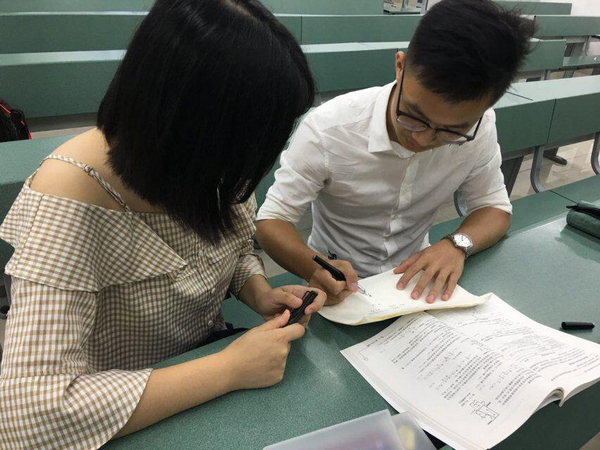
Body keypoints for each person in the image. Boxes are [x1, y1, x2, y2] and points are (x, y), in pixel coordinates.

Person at [0, 1, 323, 448]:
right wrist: (228, 369)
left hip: (200, 364)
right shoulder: (70, 197)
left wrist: (258, 292)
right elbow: (27, 414)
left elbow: (228, 252)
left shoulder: (208, 171)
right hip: (119, 407)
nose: (251, 167)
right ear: (192, 125)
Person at [256, 0, 534, 305]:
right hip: (335, 287)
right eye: (413, 115)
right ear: (400, 66)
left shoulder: (479, 128)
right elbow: (272, 221)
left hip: (415, 282)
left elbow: (494, 207)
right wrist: (312, 267)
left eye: (450, 131)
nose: (422, 138)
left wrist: (456, 244)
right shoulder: (329, 129)